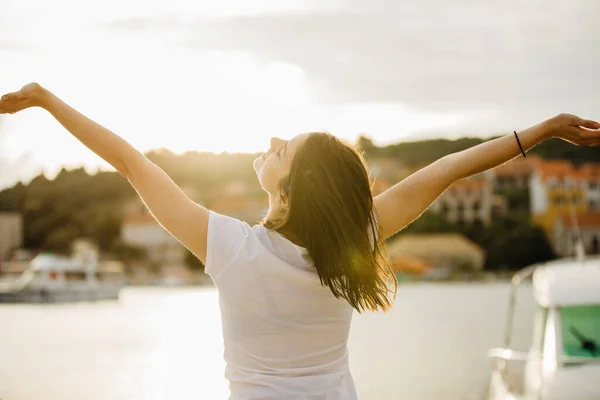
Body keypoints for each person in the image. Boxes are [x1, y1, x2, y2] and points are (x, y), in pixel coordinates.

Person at [1, 83, 599, 399]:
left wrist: (48, 101)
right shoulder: (353, 240)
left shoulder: (228, 247)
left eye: (283, 149)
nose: (272, 139)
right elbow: (445, 170)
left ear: (289, 187)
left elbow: (131, 163)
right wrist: (537, 132)